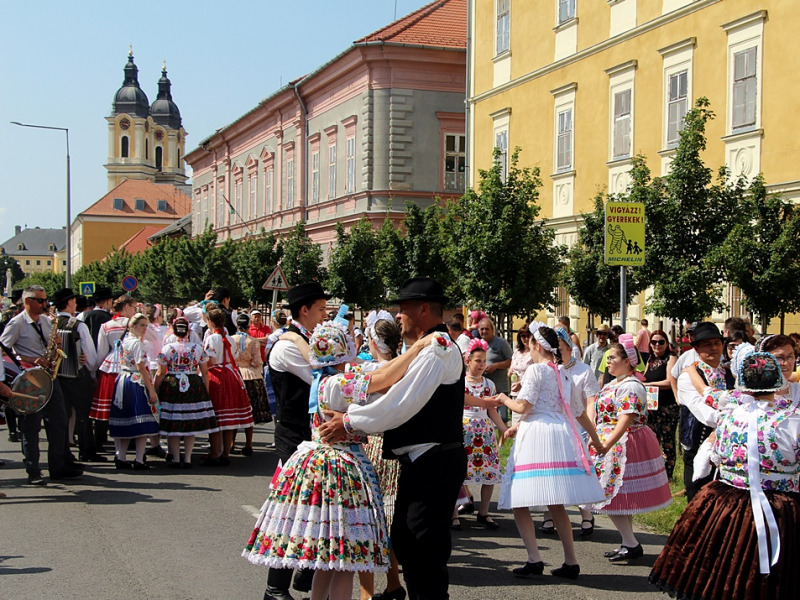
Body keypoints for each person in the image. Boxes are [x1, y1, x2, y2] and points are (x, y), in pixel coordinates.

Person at [244, 316, 437, 600]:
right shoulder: (339, 383)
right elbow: (383, 380)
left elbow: (377, 376)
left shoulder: (323, 380)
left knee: (329, 558)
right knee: (345, 558)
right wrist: (418, 348)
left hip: (326, 462)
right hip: (342, 466)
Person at [319, 277, 467, 600]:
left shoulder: (439, 349)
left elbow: (399, 405)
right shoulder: (424, 348)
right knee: (405, 540)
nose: (398, 316)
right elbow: (390, 391)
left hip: (435, 460)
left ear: (424, 310)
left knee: (423, 552)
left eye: (403, 309)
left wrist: (348, 422)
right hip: (422, 461)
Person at [650, 351, 799, 600]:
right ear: (779, 382)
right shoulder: (791, 420)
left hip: (725, 503)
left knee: (720, 567)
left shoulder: (731, 414)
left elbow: (714, 454)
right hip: (778, 506)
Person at [495, 324, 605, 580]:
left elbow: (523, 405)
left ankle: (534, 558)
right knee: (555, 501)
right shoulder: (563, 373)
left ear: (536, 346)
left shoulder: (535, 370)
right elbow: (576, 412)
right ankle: (571, 561)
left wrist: (503, 399)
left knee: (520, 499)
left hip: (538, 436)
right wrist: (596, 441)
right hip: (561, 433)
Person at [263, 282, 330, 600]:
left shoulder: (305, 340)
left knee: (317, 508)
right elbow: (323, 382)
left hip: (311, 437)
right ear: (304, 310)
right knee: (292, 512)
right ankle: (275, 587)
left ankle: (306, 575)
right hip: (293, 437)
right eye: (321, 308)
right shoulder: (290, 345)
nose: (326, 314)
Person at [587, 339, 672, 562]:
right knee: (615, 496)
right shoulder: (615, 383)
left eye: (613, 358)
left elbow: (626, 418)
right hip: (610, 441)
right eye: (608, 358)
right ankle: (628, 542)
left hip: (623, 444)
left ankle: (631, 543)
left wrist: (607, 443)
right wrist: (595, 437)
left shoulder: (631, 385)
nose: (608, 362)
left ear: (627, 361)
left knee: (612, 494)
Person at [0, 285, 82, 484]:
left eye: (46, 301)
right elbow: (4, 351)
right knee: (31, 426)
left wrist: (57, 347)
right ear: (27, 302)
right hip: (29, 379)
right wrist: (31, 359)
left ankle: (58, 466)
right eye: (41, 301)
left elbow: (51, 343)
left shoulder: (47, 321)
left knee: (60, 420)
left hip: (49, 377)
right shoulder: (16, 323)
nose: (46, 304)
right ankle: (33, 471)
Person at [356, 317, 405, 600]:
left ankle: (366, 593)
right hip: (399, 448)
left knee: (368, 520)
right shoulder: (406, 368)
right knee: (388, 520)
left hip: (373, 446)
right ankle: (393, 582)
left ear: (373, 341)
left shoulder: (370, 370)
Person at [539, 327, 602, 539]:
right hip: (555, 427)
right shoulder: (548, 369)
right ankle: (550, 514)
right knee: (553, 471)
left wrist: (591, 424)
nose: (557, 352)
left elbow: (591, 399)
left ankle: (586, 513)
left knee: (579, 470)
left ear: (568, 348)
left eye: (561, 348)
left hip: (578, 426)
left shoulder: (583, 370)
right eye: (554, 348)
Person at [453, 338, 507, 531]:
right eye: (477, 360)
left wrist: (503, 428)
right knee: (459, 473)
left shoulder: (489, 384)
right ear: (468, 361)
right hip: (464, 429)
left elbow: (492, 410)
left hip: (484, 431)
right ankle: (454, 514)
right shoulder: (460, 383)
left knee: (489, 472)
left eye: (484, 361)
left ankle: (484, 512)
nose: (481, 365)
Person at [676, 322, 734, 500]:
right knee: (699, 502)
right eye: (707, 344)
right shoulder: (688, 376)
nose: (714, 348)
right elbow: (704, 414)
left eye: (717, 343)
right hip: (699, 445)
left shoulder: (731, 373)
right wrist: (735, 418)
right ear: (696, 348)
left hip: (729, 448)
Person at [153, 316, 218, 468]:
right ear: (188, 330)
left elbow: (161, 372)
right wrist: (205, 390)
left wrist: (155, 389)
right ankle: (187, 458)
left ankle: (176, 458)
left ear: (175, 332)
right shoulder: (197, 348)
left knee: (173, 422)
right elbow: (205, 372)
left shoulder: (167, 349)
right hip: (193, 383)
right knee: (190, 423)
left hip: (172, 384)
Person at [52, 288, 102, 463]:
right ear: (68, 303)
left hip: (57, 377)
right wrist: (92, 372)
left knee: (61, 416)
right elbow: (90, 354)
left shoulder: (50, 323)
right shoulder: (78, 325)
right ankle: (86, 450)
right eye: (73, 301)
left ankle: (63, 451)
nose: (75, 303)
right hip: (78, 376)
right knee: (84, 415)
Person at [108, 313, 160, 470]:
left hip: (123, 380)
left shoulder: (125, 341)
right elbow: (141, 368)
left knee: (126, 420)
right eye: (142, 325)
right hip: (136, 382)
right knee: (141, 422)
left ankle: (121, 456)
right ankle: (138, 459)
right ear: (133, 326)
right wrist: (151, 390)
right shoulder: (137, 343)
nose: (144, 329)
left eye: (146, 325)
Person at [204, 308, 255, 462]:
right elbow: (234, 356)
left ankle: (215, 453)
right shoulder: (230, 339)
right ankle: (225, 452)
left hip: (217, 375)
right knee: (228, 418)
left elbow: (211, 361)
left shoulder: (212, 339)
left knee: (216, 416)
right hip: (231, 375)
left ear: (210, 322)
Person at [643, 330, 679, 480]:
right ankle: (654, 472)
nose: (657, 345)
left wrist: (649, 384)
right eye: (654, 342)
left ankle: (667, 474)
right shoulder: (650, 360)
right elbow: (644, 378)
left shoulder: (671, 358)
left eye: (661, 342)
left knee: (667, 441)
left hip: (667, 407)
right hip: (651, 407)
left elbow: (669, 382)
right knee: (652, 440)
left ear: (667, 343)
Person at [233, 313, 272, 427]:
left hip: (236, 374)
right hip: (251, 374)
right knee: (252, 411)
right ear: (248, 325)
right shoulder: (253, 341)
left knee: (235, 409)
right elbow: (257, 361)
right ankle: (249, 442)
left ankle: (231, 441)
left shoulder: (231, 339)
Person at [478, 317, 513, 421]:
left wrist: (496, 366)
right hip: (483, 389)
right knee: (485, 418)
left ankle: (504, 437)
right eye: (482, 329)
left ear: (492, 330)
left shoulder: (501, 342)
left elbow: (511, 361)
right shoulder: (477, 344)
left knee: (502, 418)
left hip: (500, 388)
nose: (484, 331)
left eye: (487, 329)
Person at [508, 325, 533, 426]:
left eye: (528, 336)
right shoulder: (517, 352)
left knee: (525, 424)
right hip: (516, 392)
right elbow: (511, 366)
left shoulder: (534, 352)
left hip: (527, 392)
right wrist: (510, 371)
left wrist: (522, 382)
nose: (525, 339)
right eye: (523, 336)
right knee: (515, 423)